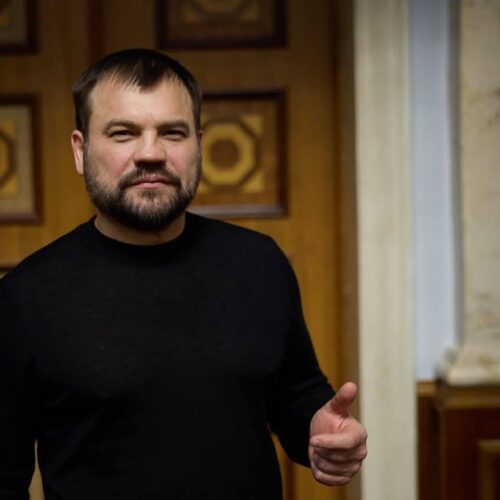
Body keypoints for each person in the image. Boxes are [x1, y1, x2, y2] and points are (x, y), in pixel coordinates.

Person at [0, 48, 367, 499]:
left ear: (198, 144)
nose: (150, 153)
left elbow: (296, 392)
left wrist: (320, 429)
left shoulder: (259, 263)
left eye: (172, 133)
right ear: (80, 150)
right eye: (123, 133)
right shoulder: (25, 299)